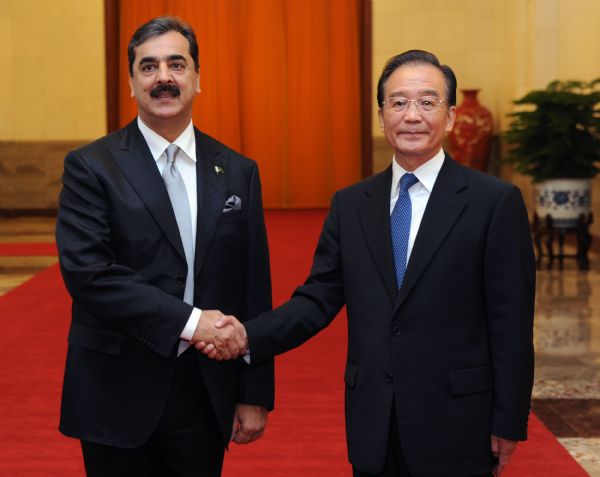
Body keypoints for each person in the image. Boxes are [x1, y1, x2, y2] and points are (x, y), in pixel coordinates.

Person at [196, 50, 535, 477]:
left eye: (427, 103)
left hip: (458, 423)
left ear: (449, 118)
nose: (412, 116)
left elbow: (512, 323)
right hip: (374, 420)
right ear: (381, 116)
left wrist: (508, 420)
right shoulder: (352, 204)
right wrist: (246, 335)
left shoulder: (494, 202)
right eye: (399, 102)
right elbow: (316, 300)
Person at [55, 16, 273, 477]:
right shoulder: (90, 167)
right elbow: (89, 274)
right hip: (117, 389)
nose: (164, 78)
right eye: (148, 67)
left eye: (177, 64)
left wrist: (253, 392)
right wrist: (193, 323)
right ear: (132, 83)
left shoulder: (237, 171)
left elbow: (253, 286)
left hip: (205, 388)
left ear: (198, 78)